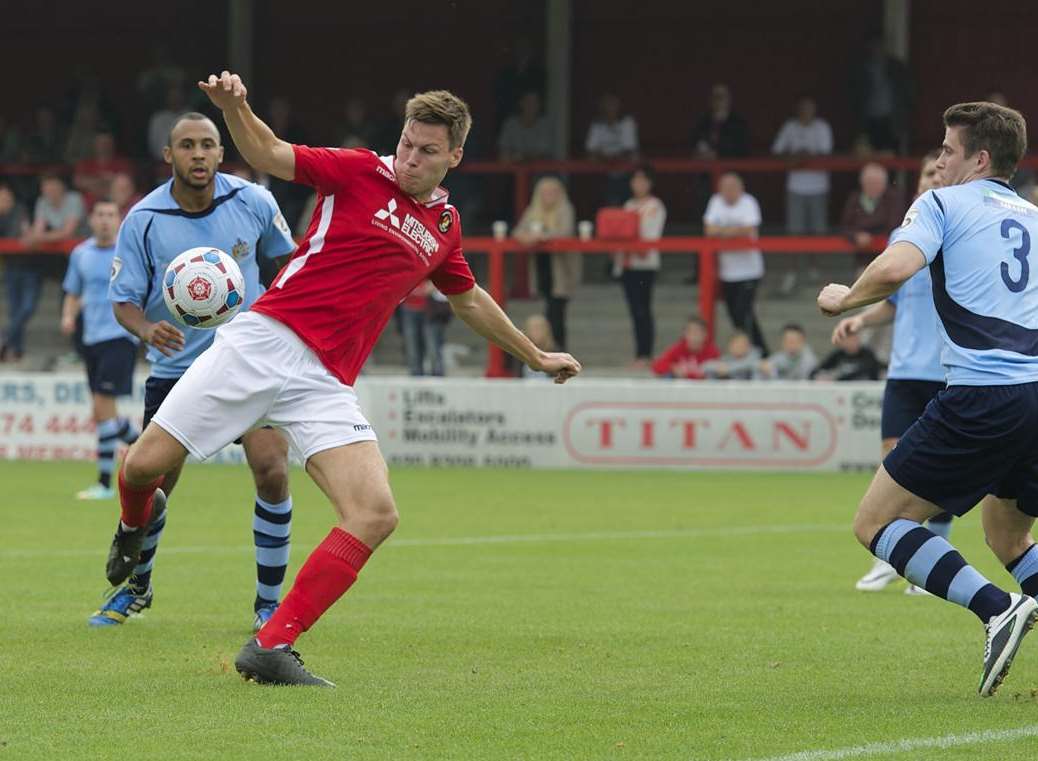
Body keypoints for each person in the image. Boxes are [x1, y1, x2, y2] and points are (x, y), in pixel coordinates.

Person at [109, 71, 581, 687]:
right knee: (142, 470)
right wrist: (235, 107)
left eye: (428, 151)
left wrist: (534, 355)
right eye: (408, 143)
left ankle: (271, 646)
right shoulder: (359, 169)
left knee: (375, 513)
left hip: (326, 380)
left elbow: (467, 300)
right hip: (265, 341)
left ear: (455, 157)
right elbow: (269, 153)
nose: (411, 158)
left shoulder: (444, 229)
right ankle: (130, 526)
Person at [817, 102, 1038, 696]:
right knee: (1007, 535)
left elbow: (893, 269)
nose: (939, 161)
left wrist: (844, 300)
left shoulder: (941, 203)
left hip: (984, 393)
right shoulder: (1035, 219)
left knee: (876, 522)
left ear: (980, 158)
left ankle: (997, 609)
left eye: (947, 149)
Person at [92, 110, 299, 631]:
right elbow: (123, 302)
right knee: (155, 487)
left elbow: (290, 267)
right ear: (169, 156)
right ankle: (137, 588)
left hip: (251, 365)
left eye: (208, 144)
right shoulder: (142, 219)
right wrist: (147, 331)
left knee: (272, 470)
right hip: (177, 370)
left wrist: (278, 322)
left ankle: (268, 605)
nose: (199, 154)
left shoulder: (254, 202)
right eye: (187, 145)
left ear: (221, 152)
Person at [833, 150, 955, 594]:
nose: (933, 178)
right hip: (904, 369)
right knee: (894, 463)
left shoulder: (959, 231)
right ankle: (892, 556)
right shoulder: (905, 234)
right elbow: (895, 299)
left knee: (937, 473)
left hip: (946, 369)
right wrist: (860, 318)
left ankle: (929, 563)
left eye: (940, 171)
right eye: (926, 173)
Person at [60, 200, 141, 499]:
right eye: (100, 215)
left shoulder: (128, 251)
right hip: (91, 339)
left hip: (121, 336)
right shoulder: (81, 253)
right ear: (92, 219)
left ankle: (107, 483)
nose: (105, 220)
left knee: (103, 408)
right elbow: (73, 291)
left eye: (111, 215)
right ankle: (145, 446)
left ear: (119, 219)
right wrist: (68, 316)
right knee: (101, 411)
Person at [772, 95, 834, 293]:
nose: (806, 113)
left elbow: (825, 153)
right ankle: (791, 272)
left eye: (810, 109)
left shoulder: (822, 127)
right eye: (803, 109)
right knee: (794, 231)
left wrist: (799, 158)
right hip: (795, 187)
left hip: (818, 187)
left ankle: (816, 270)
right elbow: (777, 151)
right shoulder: (790, 127)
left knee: (818, 230)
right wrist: (799, 158)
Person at [704, 172, 768, 354]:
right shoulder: (715, 201)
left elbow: (749, 229)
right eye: (725, 188)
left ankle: (755, 351)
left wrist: (722, 232)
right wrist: (734, 231)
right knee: (735, 316)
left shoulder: (749, 202)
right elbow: (709, 230)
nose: (728, 192)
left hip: (749, 271)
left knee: (744, 313)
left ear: (741, 188)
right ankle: (756, 350)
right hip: (727, 271)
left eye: (732, 188)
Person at [514, 176, 579, 350]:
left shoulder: (565, 209)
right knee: (545, 314)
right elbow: (518, 232)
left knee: (556, 314)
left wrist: (543, 236)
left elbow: (565, 233)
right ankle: (545, 353)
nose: (548, 196)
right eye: (544, 192)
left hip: (560, 271)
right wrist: (528, 237)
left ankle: (560, 353)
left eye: (552, 192)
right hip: (542, 267)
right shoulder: (533, 210)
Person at [614, 165, 665, 366]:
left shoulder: (655, 205)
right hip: (627, 263)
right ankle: (640, 353)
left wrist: (631, 235)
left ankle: (645, 353)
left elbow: (651, 233)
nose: (639, 184)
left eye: (643, 180)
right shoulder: (628, 204)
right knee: (634, 310)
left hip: (645, 263)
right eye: (635, 180)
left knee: (643, 309)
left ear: (650, 183)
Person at [840, 162, 902, 269]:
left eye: (877, 183)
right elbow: (845, 226)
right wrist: (856, 235)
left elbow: (895, 226)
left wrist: (871, 235)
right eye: (869, 183)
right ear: (862, 183)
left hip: (888, 256)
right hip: (862, 258)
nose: (873, 186)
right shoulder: (854, 199)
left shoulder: (893, 199)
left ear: (885, 184)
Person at [0, 183, 30, 362]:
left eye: (6, 198)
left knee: (26, 307)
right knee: (14, 310)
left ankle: (4, 338)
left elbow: (17, 236)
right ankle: (15, 349)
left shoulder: (20, 212)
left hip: (30, 268)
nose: (3, 202)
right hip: (10, 268)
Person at [399, 280, 450, 376]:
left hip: (430, 309)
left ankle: (437, 373)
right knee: (412, 345)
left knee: (433, 345)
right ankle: (415, 374)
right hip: (409, 308)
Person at [691, 84, 749, 159]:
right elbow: (694, 142)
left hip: (731, 166)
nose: (718, 100)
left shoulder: (739, 123)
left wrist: (717, 154)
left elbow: (741, 150)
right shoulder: (703, 122)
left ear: (729, 99)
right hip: (704, 166)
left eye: (721, 97)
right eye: (715, 97)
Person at [651, 317, 720, 380]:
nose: (694, 337)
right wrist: (673, 368)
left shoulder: (711, 351)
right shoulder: (678, 348)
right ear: (685, 334)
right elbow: (657, 365)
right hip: (680, 388)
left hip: (703, 388)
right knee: (667, 376)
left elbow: (718, 369)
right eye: (690, 332)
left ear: (705, 335)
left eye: (697, 332)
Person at [497, 91, 553, 162]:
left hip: (541, 171)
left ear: (540, 105)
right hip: (514, 171)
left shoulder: (545, 124)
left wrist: (521, 156)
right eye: (528, 101)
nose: (532, 105)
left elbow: (543, 154)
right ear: (521, 103)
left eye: (535, 102)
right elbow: (503, 154)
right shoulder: (510, 124)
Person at [810, 331, 881, 381]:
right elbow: (819, 369)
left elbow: (864, 372)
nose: (851, 343)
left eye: (854, 339)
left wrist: (836, 379)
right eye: (848, 339)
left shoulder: (867, 354)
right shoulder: (838, 354)